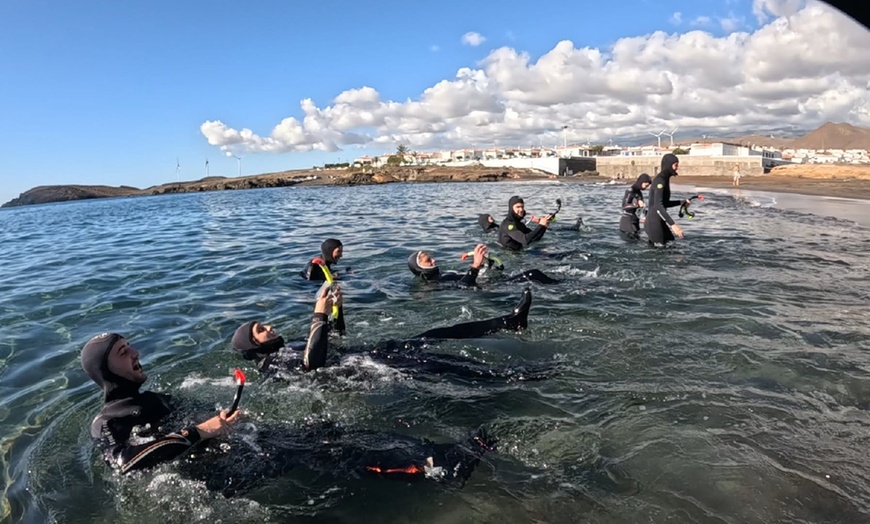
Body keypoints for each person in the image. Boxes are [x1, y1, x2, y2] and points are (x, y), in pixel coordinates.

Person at [231, 284, 549, 382]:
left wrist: (336, 311)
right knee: (439, 365)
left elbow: (335, 340)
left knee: (437, 334)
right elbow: (312, 366)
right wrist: (318, 315)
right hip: (367, 370)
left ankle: (510, 321)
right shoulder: (271, 366)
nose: (269, 327)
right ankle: (516, 376)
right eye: (261, 330)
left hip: (372, 354)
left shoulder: (290, 345)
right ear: (251, 345)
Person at [81, 332, 240, 474]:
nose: (136, 353)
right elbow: (123, 463)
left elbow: (208, 418)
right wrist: (197, 432)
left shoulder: (157, 399)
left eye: (129, 347)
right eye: (123, 352)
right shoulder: (106, 423)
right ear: (105, 371)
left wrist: (226, 419)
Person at [408, 244, 559, 287]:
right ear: (420, 269)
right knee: (533, 274)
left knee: (534, 274)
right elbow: (464, 286)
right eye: (428, 261)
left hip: (492, 282)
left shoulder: (445, 273)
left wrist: (487, 262)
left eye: (431, 258)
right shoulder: (436, 282)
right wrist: (475, 266)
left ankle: (562, 283)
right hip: (493, 288)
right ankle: (565, 286)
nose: (433, 261)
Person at [644, 153, 690, 247]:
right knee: (661, 254)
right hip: (654, 223)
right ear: (669, 165)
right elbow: (658, 206)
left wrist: (681, 202)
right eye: (675, 165)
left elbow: (664, 203)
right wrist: (673, 225)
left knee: (672, 245)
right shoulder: (660, 181)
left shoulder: (664, 179)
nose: (677, 168)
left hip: (659, 220)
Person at [620, 173, 652, 238]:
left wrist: (648, 215)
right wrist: (636, 204)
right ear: (641, 182)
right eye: (645, 186)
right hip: (627, 220)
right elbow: (624, 206)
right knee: (633, 240)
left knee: (637, 238)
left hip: (635, 220)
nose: (646, 188)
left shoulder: (639, 193)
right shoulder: (630, 191)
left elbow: (640, 210)